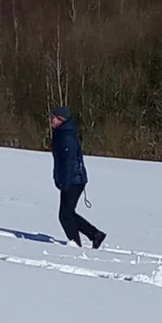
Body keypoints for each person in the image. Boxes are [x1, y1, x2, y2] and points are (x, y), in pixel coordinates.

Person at [50, 107, 105, 250]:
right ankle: (95, 234)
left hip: (74, 180)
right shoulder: (61, 132)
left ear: (61, 119)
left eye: (53, 117)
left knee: (65, 215)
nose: (51, 120)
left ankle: (75, 243)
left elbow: (68, 161)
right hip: (72, 179)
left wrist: (65, 183)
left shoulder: (66, 135)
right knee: (68, 213)